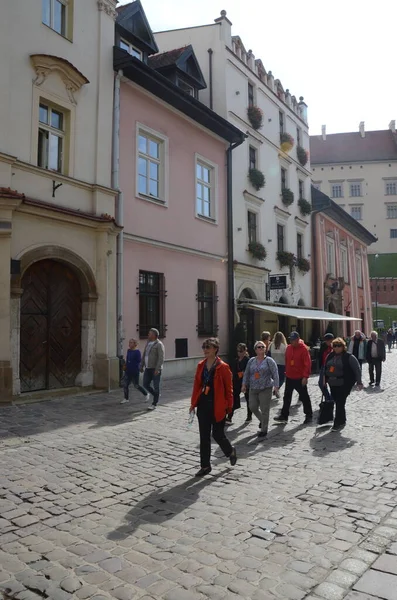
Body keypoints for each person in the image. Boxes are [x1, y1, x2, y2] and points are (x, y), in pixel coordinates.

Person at [190, 338, 237, 477]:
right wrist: (193, 404)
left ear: (215, 349)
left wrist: (229, 407)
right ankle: (205, 466)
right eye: (204, 347)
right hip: (203, 404)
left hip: (217, 405)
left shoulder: (223, 367)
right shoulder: (201, 365)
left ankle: (230, 451)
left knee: (217, 434)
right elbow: (196, 386)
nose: (205, 350)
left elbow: (229, 389)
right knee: (204, 437)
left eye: (208, 347)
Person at [324, 337, 363, 431]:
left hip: (344, 383)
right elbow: (325, 368)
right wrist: (324, 380)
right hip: (332, 383)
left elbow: (357, 369)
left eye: (338, 346)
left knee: (340, 402)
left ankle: (337, 423)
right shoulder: (330, 356)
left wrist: (359, 382)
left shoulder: (348, 357)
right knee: (338, 402)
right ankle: (342, 419)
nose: (336, 348)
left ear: (343, 346)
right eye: (335, 346)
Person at [274, 332, 313, 425]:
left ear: (298, 339)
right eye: (290, 339)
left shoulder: (303, 349)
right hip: (289, 376)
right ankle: (284, 415)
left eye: (293, 340)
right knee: (287, 397)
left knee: (304, 397)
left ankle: (308, 415)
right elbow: (287, 361)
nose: (291, 341)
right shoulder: (288, 348)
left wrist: (305, 376)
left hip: (299, 377)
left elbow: (307, 364)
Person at [242, 341, 279, 437]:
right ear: (255, 350)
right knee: (252, 406)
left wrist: (276, 386)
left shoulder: (269, 361)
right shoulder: (251, 361)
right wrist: (244, 384)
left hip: (265, 387)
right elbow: (246, 373)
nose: (261, 348)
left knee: (264, 409)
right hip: (253, 387)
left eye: (263, 346)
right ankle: (262, 421)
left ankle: (264, 430)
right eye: (259, 347)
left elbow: (275, 373)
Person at [140, 328, 165, 410]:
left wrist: (157, 369)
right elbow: (144, 355)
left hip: (155, 368)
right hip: (148, 368)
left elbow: (161, 358)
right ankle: (156, 395)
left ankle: (154, 403)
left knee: (156, 386)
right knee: (145, 384)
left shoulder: (159, 344)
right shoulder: (148, 343)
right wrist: (142, 365)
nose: (148, 335)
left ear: (154, 335)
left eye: (149, 334)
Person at [227, 343, 251, 425]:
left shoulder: (248, 360)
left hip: (245, 382)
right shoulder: (236, 361)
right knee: (234, 398)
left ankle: (249, 416)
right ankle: (229, 417)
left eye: (241, 351)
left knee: (248, 399)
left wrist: (241, 374)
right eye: (238, 351)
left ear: (245, 351)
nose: (239, 353)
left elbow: (247, 371)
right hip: (236, 382)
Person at [121, 338, 149, 404]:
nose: (129, 344)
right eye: (129, 342)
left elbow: (139, 361)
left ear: (135, 344)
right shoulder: (129, 351)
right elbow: (127, 359)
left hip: (134, 371)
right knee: (125, 385)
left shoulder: (137, 352)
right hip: (128, 371)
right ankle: (126, 398)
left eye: (131, 342)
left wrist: (139, 368)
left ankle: (146, 394)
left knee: (136, 385)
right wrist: (125, 365)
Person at [267, 331, 287, 398]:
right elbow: (286, 355)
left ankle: (275, 389)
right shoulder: (283, 346)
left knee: (274, 378)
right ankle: (277, 388)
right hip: (281, 364)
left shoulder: (271, 345)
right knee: (281, 379)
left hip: (273, 364)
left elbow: (268, 354)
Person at [318, 333, 334, 402]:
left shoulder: (334, 347)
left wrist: (331, 371)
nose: (328, 342)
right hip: (324, 367)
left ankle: (332, 399)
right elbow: (320, 356)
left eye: (329, 341)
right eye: (327, 340)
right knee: (321, 383)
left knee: (332, 383)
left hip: (332, 367)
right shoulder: (323, 346)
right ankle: (328, 397)